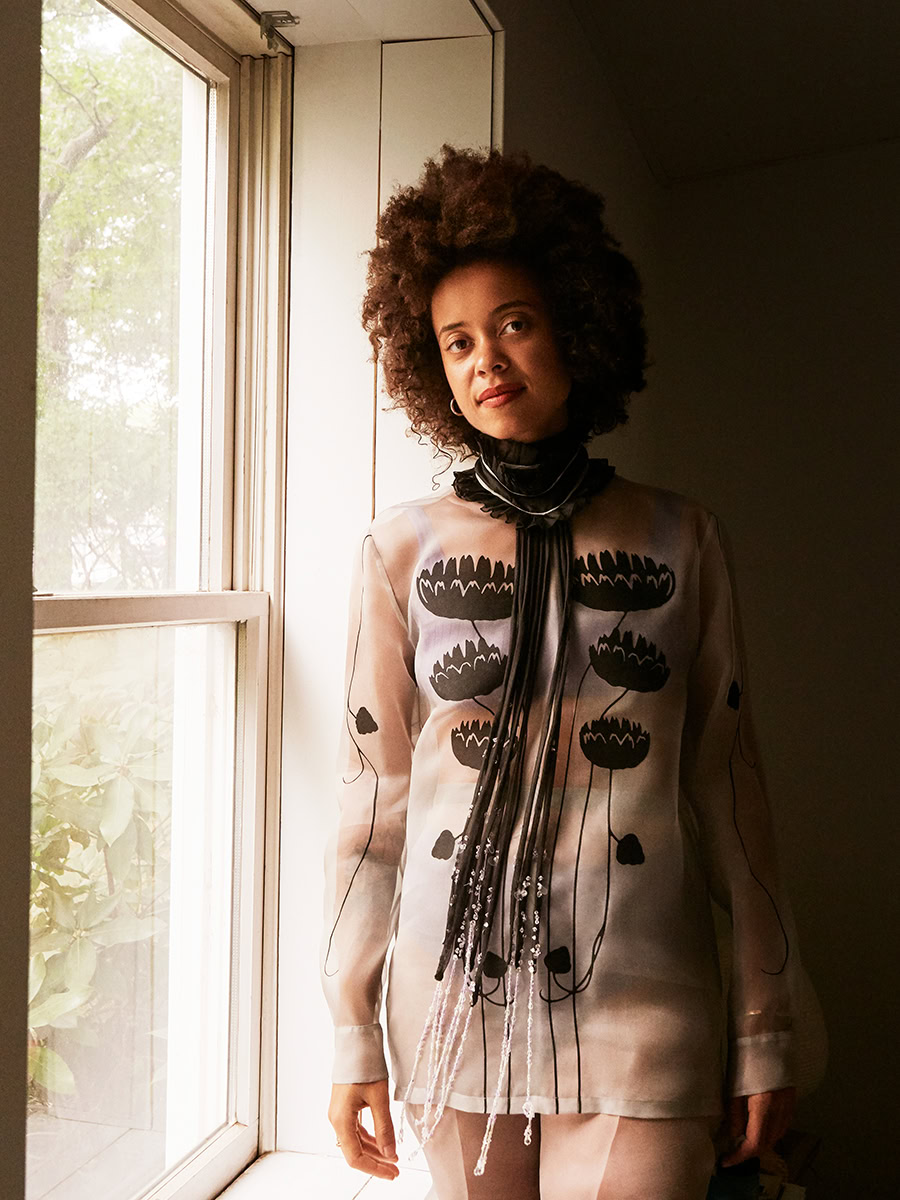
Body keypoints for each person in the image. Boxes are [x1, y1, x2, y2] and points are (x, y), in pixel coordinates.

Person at [321, 144, 802, 1199]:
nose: (485, 359)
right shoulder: (398, 553)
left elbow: (730, 792)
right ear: (431, 368)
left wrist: (765, 1024)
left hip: (647, 1003)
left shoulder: (683, 540)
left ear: (578, 326)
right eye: (455, 341)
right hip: (447, 1010)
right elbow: (373, 808)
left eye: (515, 323)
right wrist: (351, 1030)